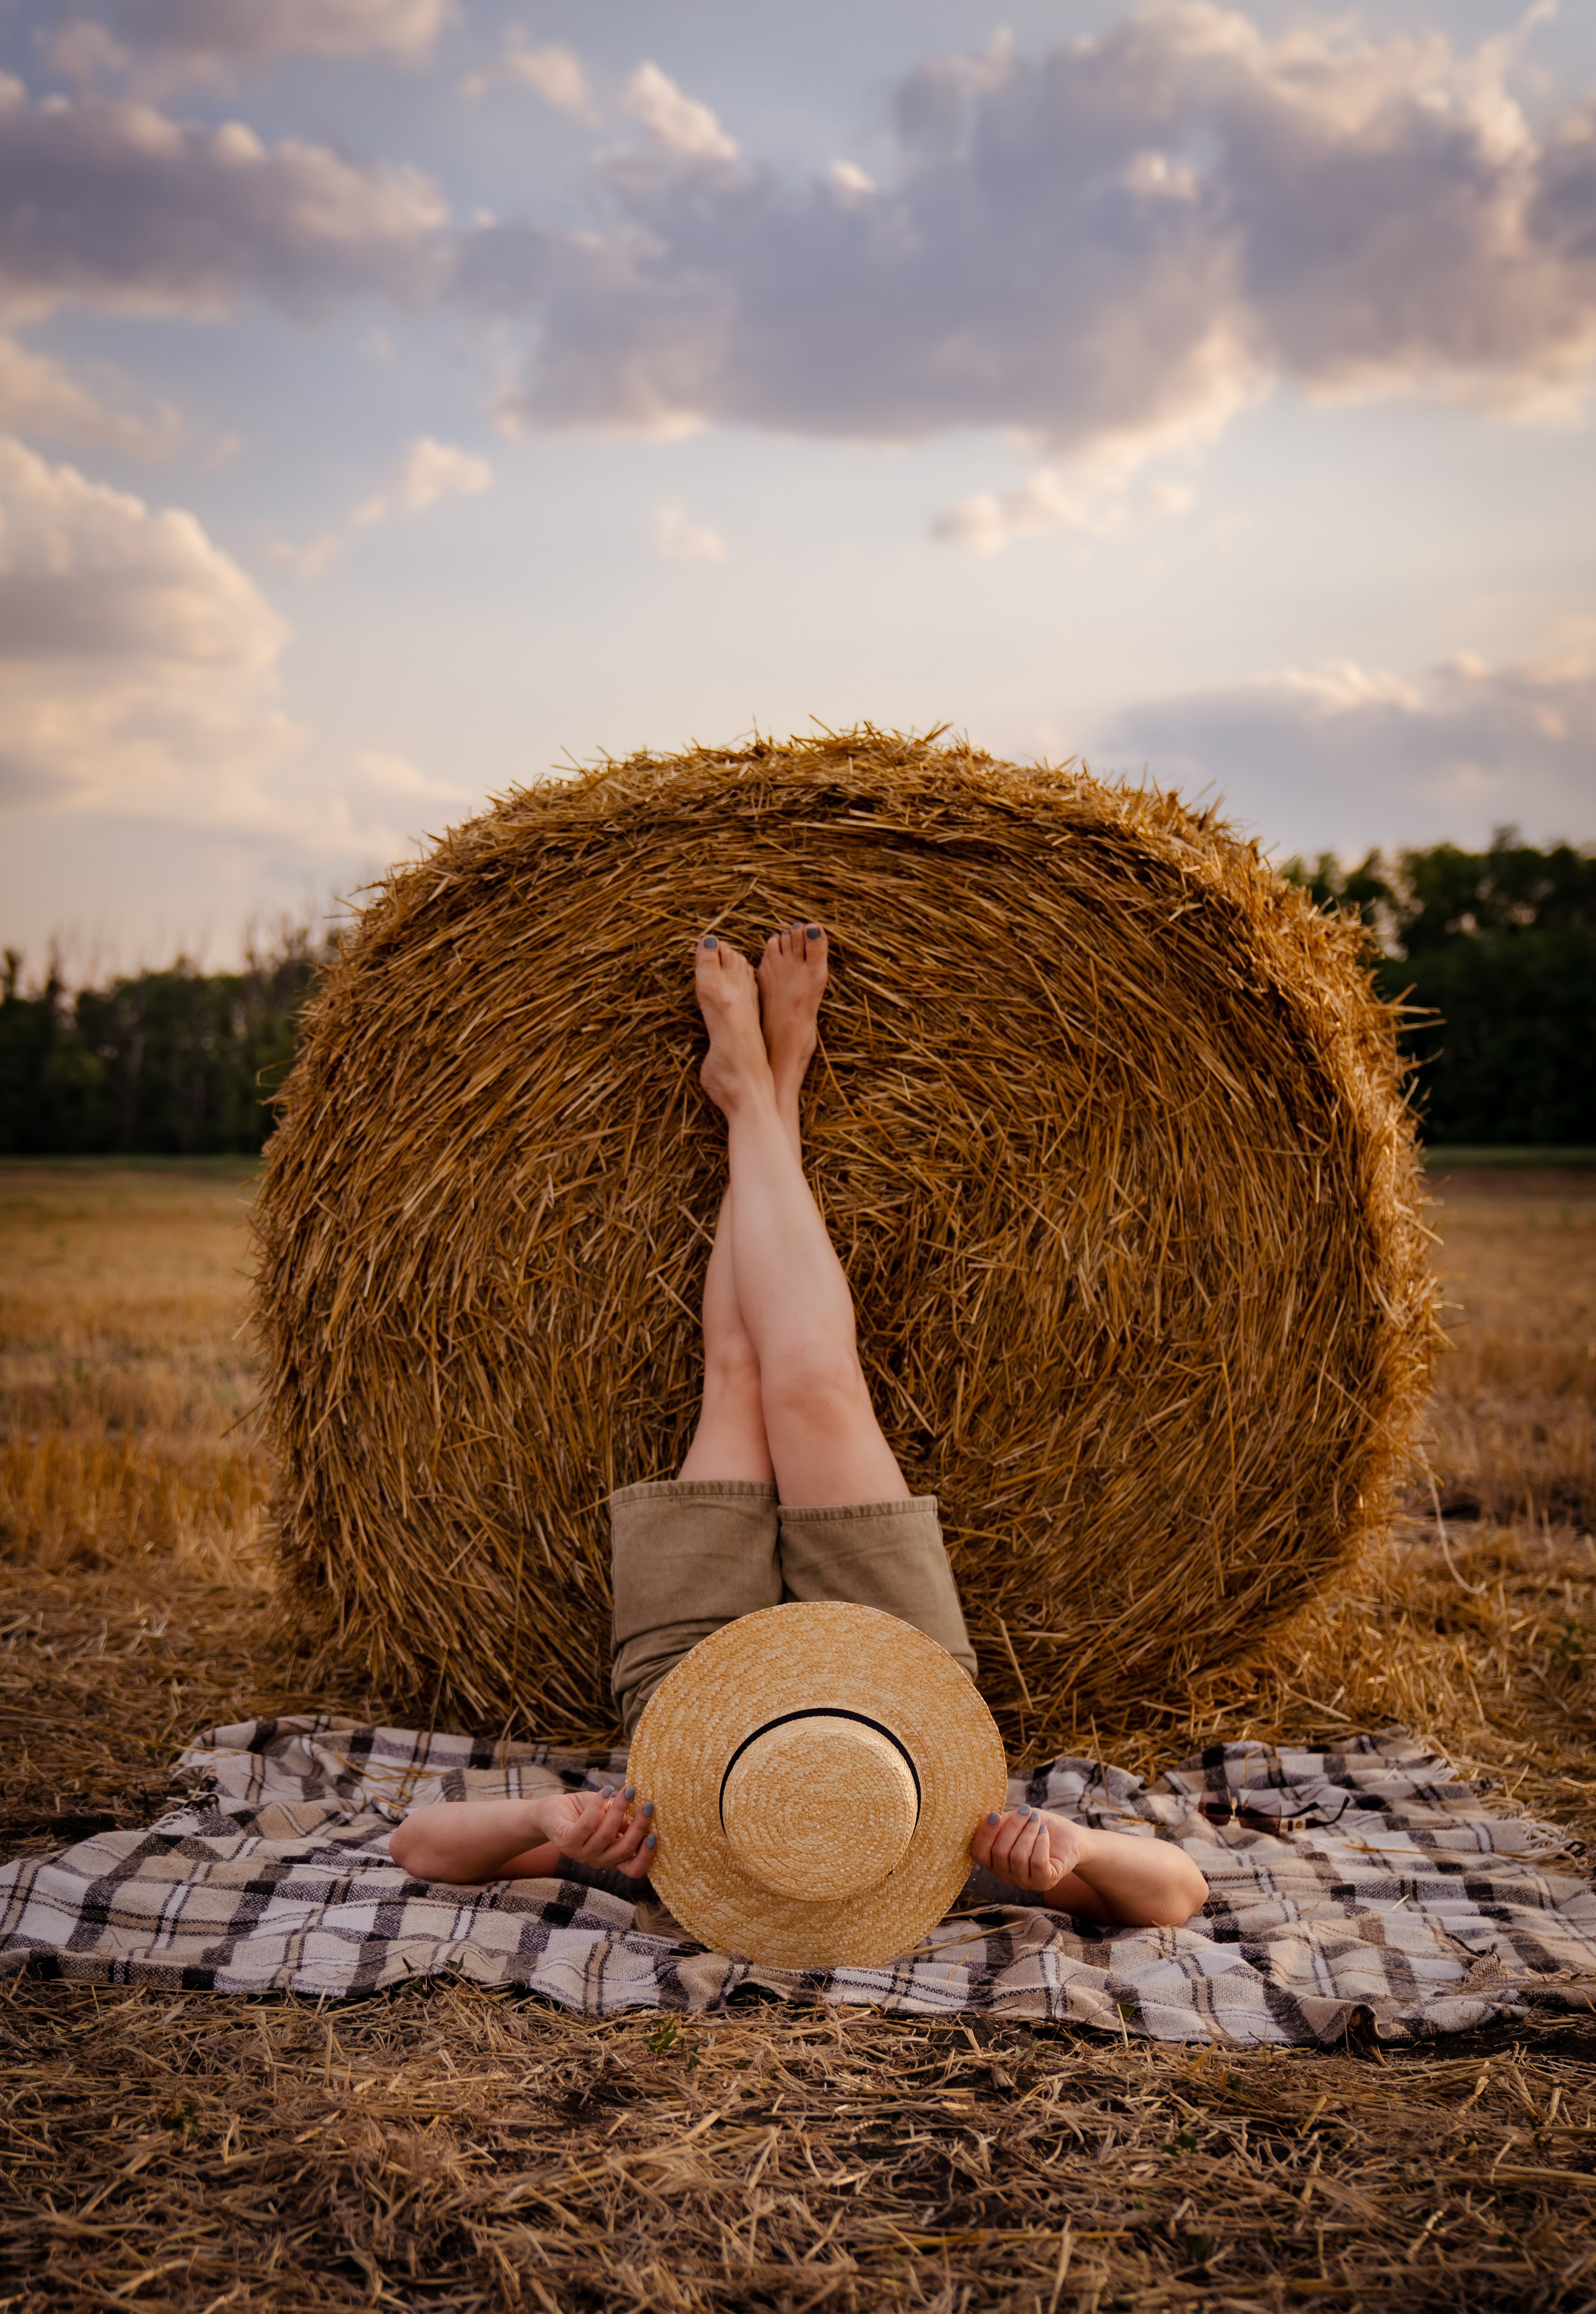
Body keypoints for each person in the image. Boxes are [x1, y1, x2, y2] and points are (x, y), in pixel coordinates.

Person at [392, 926, 1208, 1934]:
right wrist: (1077, 1849)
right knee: (816, 1382)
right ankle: (765, 1089)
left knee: (739, 1380)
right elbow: (1178, 1891)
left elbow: (419, 1849)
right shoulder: (939, 1848)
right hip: (903, 1689)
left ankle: (755, 1090)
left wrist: (541, 1815)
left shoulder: (669, 1846)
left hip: (697, 1705)